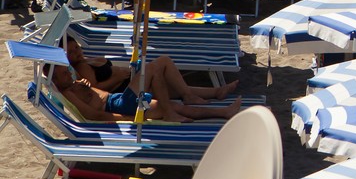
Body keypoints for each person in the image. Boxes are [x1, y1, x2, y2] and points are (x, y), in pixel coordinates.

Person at [52, 38, 240, 123]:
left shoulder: (74, 82)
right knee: (155, 67)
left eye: (67, 71)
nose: (69, 74)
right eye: (64, 73)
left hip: (120, 100)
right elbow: (94, 115)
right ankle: (174, 110)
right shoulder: (68, 91)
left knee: (172, 100)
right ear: (56, 79)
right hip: (120, 104)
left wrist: (83, 85)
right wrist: (128, 119)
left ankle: (223, 111)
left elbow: (90, 89)